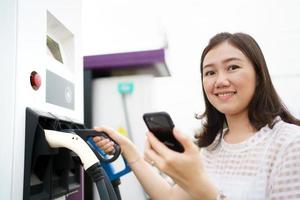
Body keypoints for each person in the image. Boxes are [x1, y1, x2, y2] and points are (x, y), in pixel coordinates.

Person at [93, 32, 300, 200]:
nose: (220, 81)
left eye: (233, 67)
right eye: (210, 72)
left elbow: (203, 193)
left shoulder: (290, 143)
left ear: (258, 75)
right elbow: (170, 197)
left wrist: (206, 193)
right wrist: (130, 152)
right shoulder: (213, 147)